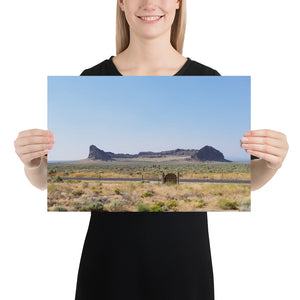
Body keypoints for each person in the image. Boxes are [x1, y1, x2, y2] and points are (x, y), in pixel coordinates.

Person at [14, 0, 289, 299]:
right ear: (121, 2)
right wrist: (32, 163)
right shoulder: (91, 78)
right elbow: (47, 182)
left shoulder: (209, 79)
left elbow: (246, 180)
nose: (149, 3)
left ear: (178, 3)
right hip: (108, 267)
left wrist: (272, 163)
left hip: (185, 268)